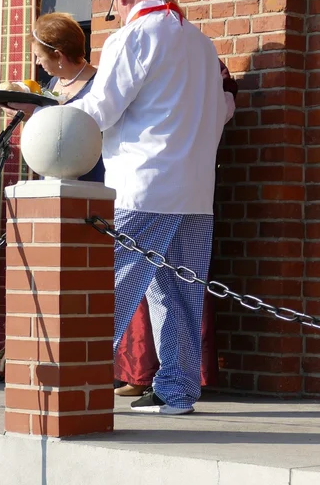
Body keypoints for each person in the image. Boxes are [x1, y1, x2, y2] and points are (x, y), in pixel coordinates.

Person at [64, 0, 227, 415]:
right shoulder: (200, 42)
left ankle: (77, 389)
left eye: (111, 1)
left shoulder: (132, 37)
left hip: (143, 186)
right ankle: (176, 393)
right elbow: (218, 115)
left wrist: (48, 118)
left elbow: (100, 109)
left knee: (110, 288)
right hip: (196, 192)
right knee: (178, 293)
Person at [114, 59, 238, 396]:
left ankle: (73, 379)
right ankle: (173, 387)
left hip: (150, 194)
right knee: (169, 293)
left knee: (118, 286)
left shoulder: (170, 69)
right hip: (191, 194)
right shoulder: (205, 76)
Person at [28, 12, 104, 183]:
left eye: (39, 56)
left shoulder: (99, 86)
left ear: (59, 56)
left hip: (87, 183)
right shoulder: (54, 82)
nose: (37, 63)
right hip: (52, 181)